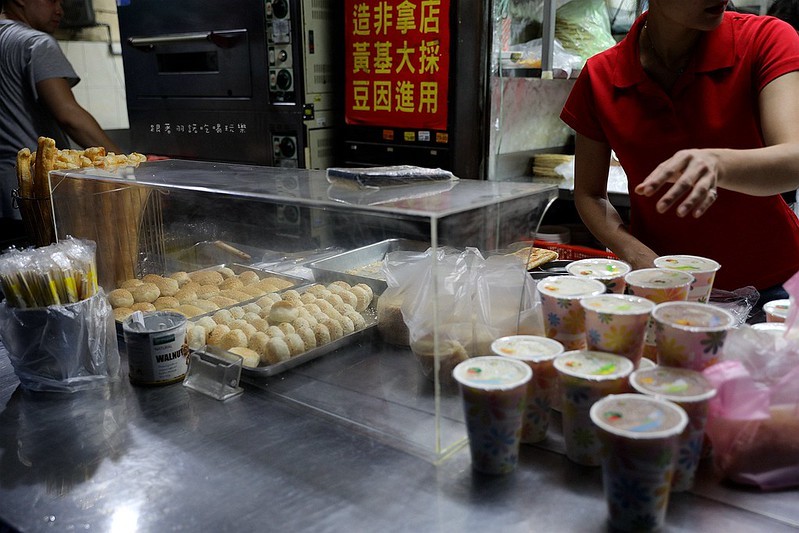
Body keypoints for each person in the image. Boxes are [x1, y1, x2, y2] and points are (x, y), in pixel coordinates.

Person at [559, 0, 799, 316]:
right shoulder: (601, 75)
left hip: (775, 288)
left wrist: (717, 164)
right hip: (666, 288)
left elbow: (793, 160)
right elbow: (590, 195)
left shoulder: (764, 39)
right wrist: (635, 254)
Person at [0, 0, 121, 244]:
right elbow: (68, 114)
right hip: (36, 196)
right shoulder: (36, 43)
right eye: (51, 0)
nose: (60, 10)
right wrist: (124, 166)